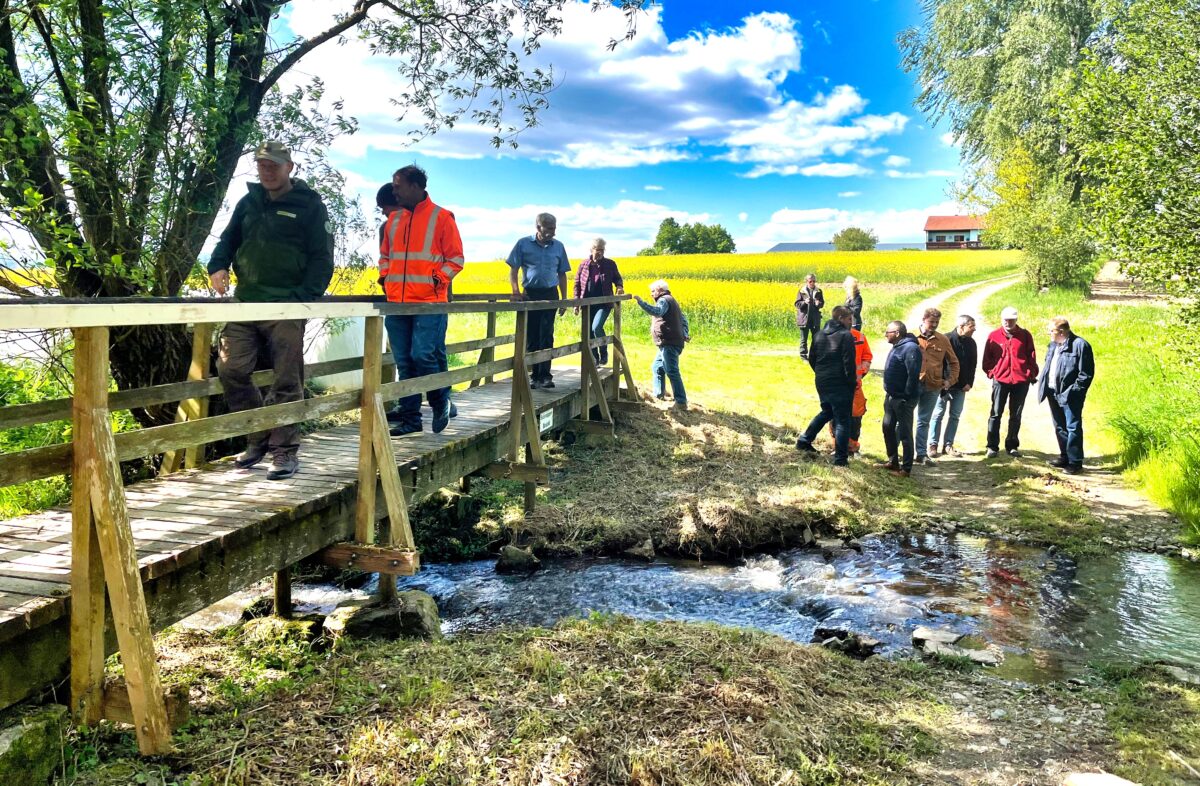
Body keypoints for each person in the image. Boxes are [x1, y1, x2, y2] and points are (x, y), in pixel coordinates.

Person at [208, 141, 334, 480]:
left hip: (286, 304)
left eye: (274, 165)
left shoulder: (309, 206)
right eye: (262, 165)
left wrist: (302, 297)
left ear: (289, 167)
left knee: (286, 379)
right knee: (230, 368)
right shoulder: (249, 202)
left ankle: (284, 452)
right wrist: (217, 265)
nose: (267, 171)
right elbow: (227, 240)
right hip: (246, 301)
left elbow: (322, 259)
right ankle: (258, 436)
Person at [378, 164, 464, 436]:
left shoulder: (442, 217)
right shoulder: (393, 221)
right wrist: (385, 277)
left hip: (429, 302)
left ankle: (441, 402)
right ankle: (411, 419)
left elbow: (456, 259)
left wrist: (436, 280)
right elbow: (385, 257)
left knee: (423, 355)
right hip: (397, 303)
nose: (394, 191)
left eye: (398, 185)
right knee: (404, 361)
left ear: (416, 186)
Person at [508, 213, 570, 388]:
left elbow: (562, 273)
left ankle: (545, 376)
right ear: (538, 227)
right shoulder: (523, 244)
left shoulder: (558, 247)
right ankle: (533, 376)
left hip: (550, 294)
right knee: (531, 335)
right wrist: (515, 292)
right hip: (530, 294)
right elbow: (514, 269)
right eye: (549, 228)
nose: (553, 232)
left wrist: (564, 299)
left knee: (547, 334)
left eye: (555, 228)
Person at [795, 305, 858, 466]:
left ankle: (804, 440)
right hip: (840, 382)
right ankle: (841, 459)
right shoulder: (846, 336)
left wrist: (821, 373)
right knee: (843, 419)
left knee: (827, 411)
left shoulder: (819, 335)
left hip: (822, 380)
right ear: (841, 319)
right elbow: (849, 364)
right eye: (849, 319)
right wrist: (852, 383)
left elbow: (812, 359)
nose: (852, 322)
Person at [1038, 317, 1094, 474]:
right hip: (1053, 392)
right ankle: (1065, 457)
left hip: (1070, 395)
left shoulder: (1080, 345)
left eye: (1051, 331)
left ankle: (1075, 461)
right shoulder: (1053, 345)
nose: (1049, 333)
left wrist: (1073, 391)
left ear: (1061, 332)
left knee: (1073, 426)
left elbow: (1086, 374)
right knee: (1059, 426)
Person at [981, 306, 1039, 458]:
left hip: (1021, 381)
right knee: (995, 413)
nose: (1008, 323)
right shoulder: (994, 335)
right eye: (1006, 320)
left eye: (1011, 320)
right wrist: (992, 373)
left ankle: (1012, 445)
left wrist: (1030, 373)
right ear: (1002, 320)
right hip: (1001, 380)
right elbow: (987, 359)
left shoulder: (1025, 335)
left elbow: (1031, 356)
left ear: (1016, 320)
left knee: (1016, 415)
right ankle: (992, 446)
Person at [912, 308, 960, 465]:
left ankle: (921, 454)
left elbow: (954, 362)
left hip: (933, 386)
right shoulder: (911, 337)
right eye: (931, 322)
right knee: (903, 420)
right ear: (923, 319)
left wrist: (949, 381)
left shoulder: (942, 339)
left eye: (937, 322)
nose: (934, 325)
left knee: (924, 420)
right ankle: (895, 455)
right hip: (911, 384)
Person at [634, 279, 690, 411]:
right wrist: (685, 333)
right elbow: (684, 320)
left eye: (653, 291)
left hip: (669, 342)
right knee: (658, 367)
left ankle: (681, 402)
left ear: (660, 289)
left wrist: (641, 302)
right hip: (668, 342)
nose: (652, 294)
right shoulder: (671, 300)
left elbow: (657, 311)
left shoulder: (664, 300)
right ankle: (658, 395)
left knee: (671, 370)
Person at [928, 314, 978, 457]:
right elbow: (938, 363)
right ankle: (933, 445)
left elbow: (973, 365)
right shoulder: (946, 339)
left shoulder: (971, 343)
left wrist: (969, 382)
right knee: (938, 414)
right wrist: (942, 381)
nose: (974, 329)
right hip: (944, 386)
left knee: (955, 415)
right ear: (961, 326)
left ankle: (948, 445)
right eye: (971, 326)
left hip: (961, 386)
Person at [878, 320, 923, 477]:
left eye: (888, 332)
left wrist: (905, 395)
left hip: (903, 399)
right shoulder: (897, 347)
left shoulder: (911, 348)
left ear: (897, 333)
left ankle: (906, 469)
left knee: (905, 433)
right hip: (891, 396)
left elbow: (913, 375)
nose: (885, 335)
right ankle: (893, 461)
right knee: (887, 427)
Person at [572, 237, 624, 365]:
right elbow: (577, 284)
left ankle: (604, 352)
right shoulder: (583, 265)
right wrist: (576, 303)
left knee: (596, 327)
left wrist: (619, 287)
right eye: (597, 249)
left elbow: (617, 278)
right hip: (587, 304)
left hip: (604, 303)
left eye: (602, 250)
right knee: (588, 332)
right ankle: (594, 358)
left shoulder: (610, 264)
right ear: (592, 249)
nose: (600, 252)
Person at [825, 316, 873, 455]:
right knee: (835, 415)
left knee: (856, 416)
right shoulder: (830, 336)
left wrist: (860, 374)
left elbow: (867, 357)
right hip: (836, 385)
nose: (850, 322)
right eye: (847, 319)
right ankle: (838, 446)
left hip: (855, 386)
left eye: (851, 319)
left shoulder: (859, 337)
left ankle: (852, 448)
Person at [794, 274, 825, 359]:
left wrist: (819, 304)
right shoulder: (801, 291)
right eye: (810, 281)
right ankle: (803, 356)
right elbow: (797, 304)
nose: (812, 283)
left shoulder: (819, 291)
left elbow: (822, 303)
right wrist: (805, 302)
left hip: (815, 319)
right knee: (804, 339)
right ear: (806, 281)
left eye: (814, 281)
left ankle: (814, 355)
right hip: (804, 318)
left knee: (816, 339)